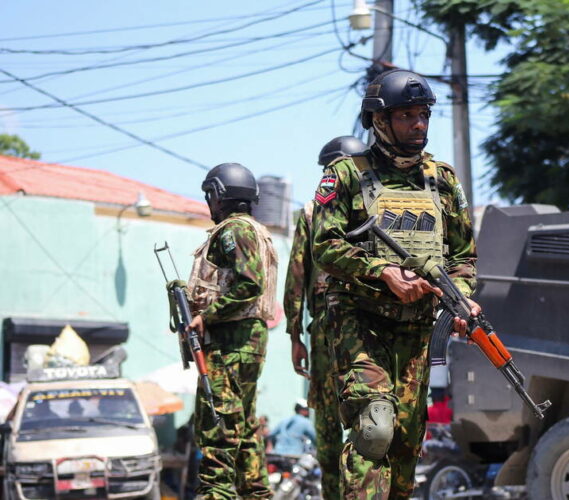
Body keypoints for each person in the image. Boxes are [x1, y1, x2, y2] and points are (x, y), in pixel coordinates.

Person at [311, 69, 479, 499]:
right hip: (359, 320)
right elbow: (324, 246)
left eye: (423, 115)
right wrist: (381, 271)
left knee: (405, 445)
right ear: (379, 121)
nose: (419, 124)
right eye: (407, 115)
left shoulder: (442, 179)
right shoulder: (346, 175)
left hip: (418, 327)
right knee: (375, 429)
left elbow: (462, 256)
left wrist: (460, 303)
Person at [177, 162, 279, 500]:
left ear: (220, 195)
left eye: (210, 196)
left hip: (232, 342)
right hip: (247, 341)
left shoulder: (234, 230)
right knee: (244, 427)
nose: (209, 203)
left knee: (217, 425)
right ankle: (255, 493)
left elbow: (250, 284)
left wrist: (207, 317)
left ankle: (217, 494)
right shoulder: (257, 231)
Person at [284, 134, 367, 500]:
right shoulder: (377, 207)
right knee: (368, 423)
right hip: (368, 332)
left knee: (332, 428)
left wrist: (294, 335)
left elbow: (296, 276)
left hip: (328, 331)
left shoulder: (312, 211)